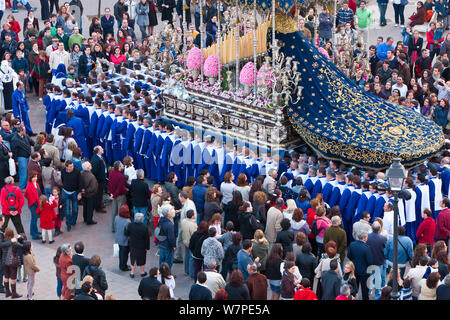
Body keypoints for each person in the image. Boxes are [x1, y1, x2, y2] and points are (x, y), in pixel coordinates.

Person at [346, 231, 373, 300]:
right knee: (364, 289)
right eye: (367, 237)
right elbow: (370, 262)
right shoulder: (366, 248)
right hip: (364, 272)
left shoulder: (352, 244)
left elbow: (348, 256)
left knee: (354, 288)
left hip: (354, 270)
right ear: (364, 238)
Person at [124, 212, 150, 278]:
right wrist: (147, 247)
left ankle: (132, 272)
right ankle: (142, 272)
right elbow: (147, 239)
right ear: (142, 219)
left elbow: (127, 233)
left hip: (133, 245)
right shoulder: (144, 227)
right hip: (142, 246)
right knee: (142, 258)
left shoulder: (130, 225)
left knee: (133, 258)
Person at [366, 221, 387, 296]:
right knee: (378, 278)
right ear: (379, 229)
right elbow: (386, 250)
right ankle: (378, 293)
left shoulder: (367, 237)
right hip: (379, 261)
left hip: (369, 261)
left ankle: (369, 291)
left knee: (369, 277)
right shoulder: (383, 238)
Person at [1, 227, 23, 298]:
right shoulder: (14, 243)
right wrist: (20, 238)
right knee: (13, 278)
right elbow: (22, 246)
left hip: (4, 262)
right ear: (12, 234)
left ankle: (7, 292)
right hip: (12, 263)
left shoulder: (3, 241)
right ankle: (14, 294)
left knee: (6, 276)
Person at [11, 125, 34, 190]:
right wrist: (16, 160)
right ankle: (21, 187)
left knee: (26, 172)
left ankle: (25, 185)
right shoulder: (14, 139)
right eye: (24, 130)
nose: (25, 131)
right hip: (21, 158)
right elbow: (14, 150)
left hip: (27, 157)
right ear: (20, 131)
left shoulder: (25, 136)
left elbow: (32, 142)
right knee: (23, 173)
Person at [60, 160, 81, 232]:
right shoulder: (63, 171)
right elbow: (62, 180)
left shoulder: (77, 171)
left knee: (75, 209)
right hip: (66, 192)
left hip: (74, 192)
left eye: (72, 166)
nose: (72, 167)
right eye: (70, 166)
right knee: (67, 210)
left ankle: (73, 221)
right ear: (66, 167)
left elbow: (80, 183)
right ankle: (68, 225)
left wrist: (79, 193)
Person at [108, 161, 127, 233]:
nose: (123, 166)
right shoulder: (121, 176)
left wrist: (111, 194)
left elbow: (109, 183)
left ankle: (113, 227)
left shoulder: (111, 172)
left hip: (113, 195)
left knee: (114, 212)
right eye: (122, 165)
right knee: (121, 213)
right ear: (119, 167)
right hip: (120, 196)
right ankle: (120, 228)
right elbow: (120, 188)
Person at [157, 204, 177, 269]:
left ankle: (161, 274)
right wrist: (174, 245)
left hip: (161, 244)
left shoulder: (160, 221)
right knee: (168, 263)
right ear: (168, 214)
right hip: (168, 246)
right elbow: (171, 237)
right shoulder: (169, 224)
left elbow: (157, 231)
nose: (173, 210)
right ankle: (167, 275)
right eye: (171, 210)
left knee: (162, 261)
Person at [24, 171, 42, 240]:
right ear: (30, 178)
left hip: (36, 204)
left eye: (36, 177)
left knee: (33, 219)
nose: (35, 178)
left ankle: (34, 232)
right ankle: (35, 235)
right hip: (33, 205)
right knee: (34, 219)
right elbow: (29, 196)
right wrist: (38, 205)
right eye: (34, 177)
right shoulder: (29, 186)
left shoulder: (36, 184)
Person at [90, 146, 107, 214]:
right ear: (98, 151)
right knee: (98, 194)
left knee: (101, 193)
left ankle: (99, 204)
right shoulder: (96, 159)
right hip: (99, 180)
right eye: (101, 149)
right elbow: (94, 171)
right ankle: (98, 207)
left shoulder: (100, 157)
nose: (103, 149)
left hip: (102, 178)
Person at [114, 204, 131, 271]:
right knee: (125, 254)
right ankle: (123, 266)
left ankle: (121, 265)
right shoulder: (128, 221)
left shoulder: (117, 217)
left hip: (118, 238)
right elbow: (128, 232)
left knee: (121, 252)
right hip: (125, 240)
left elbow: (115, 227)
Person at [80, 161, 98, 225]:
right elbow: (93, 187)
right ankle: (89, 220)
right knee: (90, 207)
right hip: (90, 194)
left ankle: (85, 218)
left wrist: (83, 190)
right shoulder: (91, 176)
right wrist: (86, 190)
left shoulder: (81, 173)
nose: (91, 166)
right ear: (88, 168)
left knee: (85, 206)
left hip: (84, 194)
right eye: (90, 166)